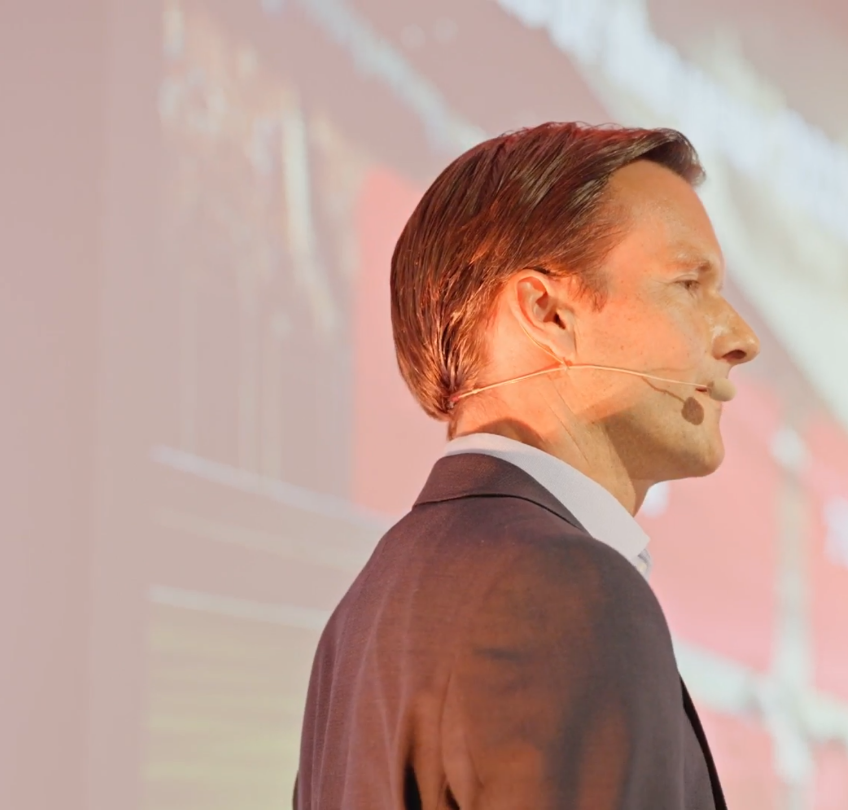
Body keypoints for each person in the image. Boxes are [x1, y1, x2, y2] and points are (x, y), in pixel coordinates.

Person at [295, 122, 760, 809]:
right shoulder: (568, 589)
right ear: (546, 312)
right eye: (690, 284)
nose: (740, 340)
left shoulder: (364, 615)